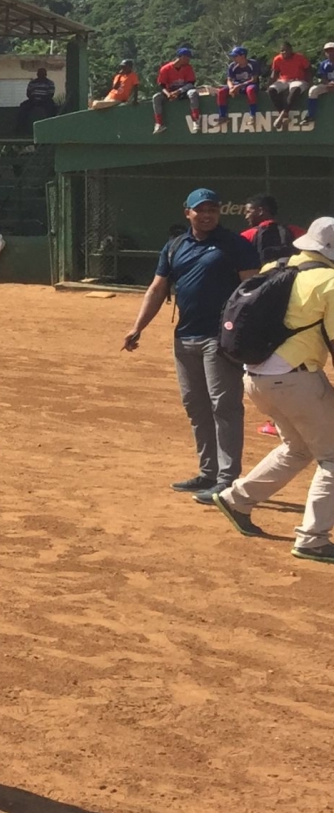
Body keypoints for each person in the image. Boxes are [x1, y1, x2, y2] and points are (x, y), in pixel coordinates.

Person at [194, 217, 334, 563]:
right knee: (332, 458)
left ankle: (235, 499)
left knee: (297, 449)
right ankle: (313, 538)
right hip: (296, 380)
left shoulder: (276, 266)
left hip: (256, 378)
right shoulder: (329, 282)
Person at [121, 188, 258, 493]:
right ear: (188, 213)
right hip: (185, 338)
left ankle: (227, 480)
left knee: (224, 406)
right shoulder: (174, 247)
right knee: (196, 406)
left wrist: (243, 333)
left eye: (213, 210)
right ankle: (208, 472)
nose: (207, 215)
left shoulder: (234, 245)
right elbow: (158, 289)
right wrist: (137, 326)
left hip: (220, 339)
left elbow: (251, 292)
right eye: (201, 210)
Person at [153, 46, 201, 133]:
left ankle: (196, 120)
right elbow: (162, 85)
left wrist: (178, 91)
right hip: (170, 93)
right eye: (188, 58)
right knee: (156, 97)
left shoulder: (188, 68)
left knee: (193, 93)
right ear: (182, 57)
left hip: (183, 92)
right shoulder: (165, 69)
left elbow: (191, 84)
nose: (189, 60)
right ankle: (159, 124)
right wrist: (168, 94)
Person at [242, 195, 298, 266]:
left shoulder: (246, 236)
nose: (246, 217)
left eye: (248, 212)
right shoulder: (296, 231)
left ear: (260, 211)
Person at [268, 40, 312, 115]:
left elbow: (308, 69)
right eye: (282, 51)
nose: (284, 52)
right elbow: (275, 73)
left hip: (298, 80)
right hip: (283, 80)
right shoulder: (277, 59)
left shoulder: (299, 57)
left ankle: (285, 112)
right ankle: (282, 113)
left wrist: (309, 82)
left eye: (286, 50)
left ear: (291, 50)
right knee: (271, 90)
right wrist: (269, 84)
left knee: (295, 89)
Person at [217, 45, 261, 118]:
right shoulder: (232, 66)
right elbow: (229, 79)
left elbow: (254, 79)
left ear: (243, 56)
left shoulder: (253, 64)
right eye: (233, 56)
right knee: (221, 91)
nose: (233, 58)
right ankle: (222, 116)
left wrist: (239, 86)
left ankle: (252, 114)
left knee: (250, 90)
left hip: (250, 84)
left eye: (235, 56)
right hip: (236, 85)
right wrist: (231, 88)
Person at [18, 64, 59, 130]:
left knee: (53, 108)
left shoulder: (50, 83)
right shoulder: (32, 83)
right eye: (39, 74)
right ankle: (21, 127)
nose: (41, 75)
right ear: (37, 74)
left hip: (45, 101)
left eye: (42, 74)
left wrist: (41, 100)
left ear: (45, 74)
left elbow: (50, 94)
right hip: (33, 101)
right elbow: (28, 93)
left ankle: (52, 126)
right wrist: (34, 100)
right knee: (23, 107)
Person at [309, 42, 334, 120]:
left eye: (332, 50)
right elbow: (322, 77)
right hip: (329, 85)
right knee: (313, 90)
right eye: (327, 51)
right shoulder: (323, 64)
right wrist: (328, 84)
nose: (330, 53)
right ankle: (311, 115)